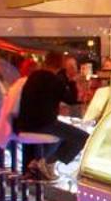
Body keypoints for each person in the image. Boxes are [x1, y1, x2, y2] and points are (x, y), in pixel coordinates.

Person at [15, 49, 87, 177]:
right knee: (82, 137)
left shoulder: (33, 77)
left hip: (24, 123)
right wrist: (71, 80)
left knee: (63, 135)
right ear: (61, 64)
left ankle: (43, 162)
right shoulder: (54, 80)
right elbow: (71, 100)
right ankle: (45, 161)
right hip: (44, 123)